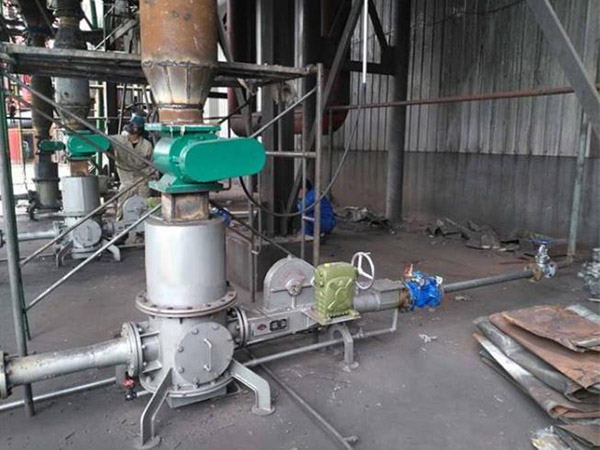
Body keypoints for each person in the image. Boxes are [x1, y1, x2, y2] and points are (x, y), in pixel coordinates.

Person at [112, 115, 154, 218]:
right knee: (122, 210)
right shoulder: (119, 140)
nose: (131, 126)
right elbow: (105, 140)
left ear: (139, 129)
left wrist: (151, 178)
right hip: (126, 183)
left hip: (142, 182)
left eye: (134, 125)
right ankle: (121, 225)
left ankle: (143, 226)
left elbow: (153, 164)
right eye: (131, 124)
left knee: (144, 210)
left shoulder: (147, 145)